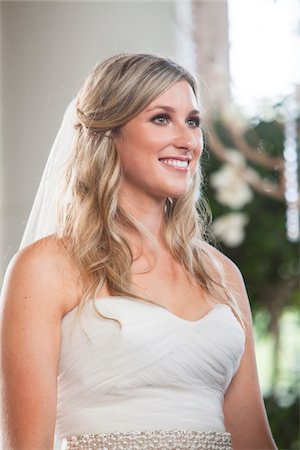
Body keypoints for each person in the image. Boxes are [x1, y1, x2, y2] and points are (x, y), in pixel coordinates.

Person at [0, 53, 277, 450]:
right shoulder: (46, 267)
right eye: (161, 118)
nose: (187, 141)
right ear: (110, 131)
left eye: (193, 122)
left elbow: (254, 439)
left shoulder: (222, 274)